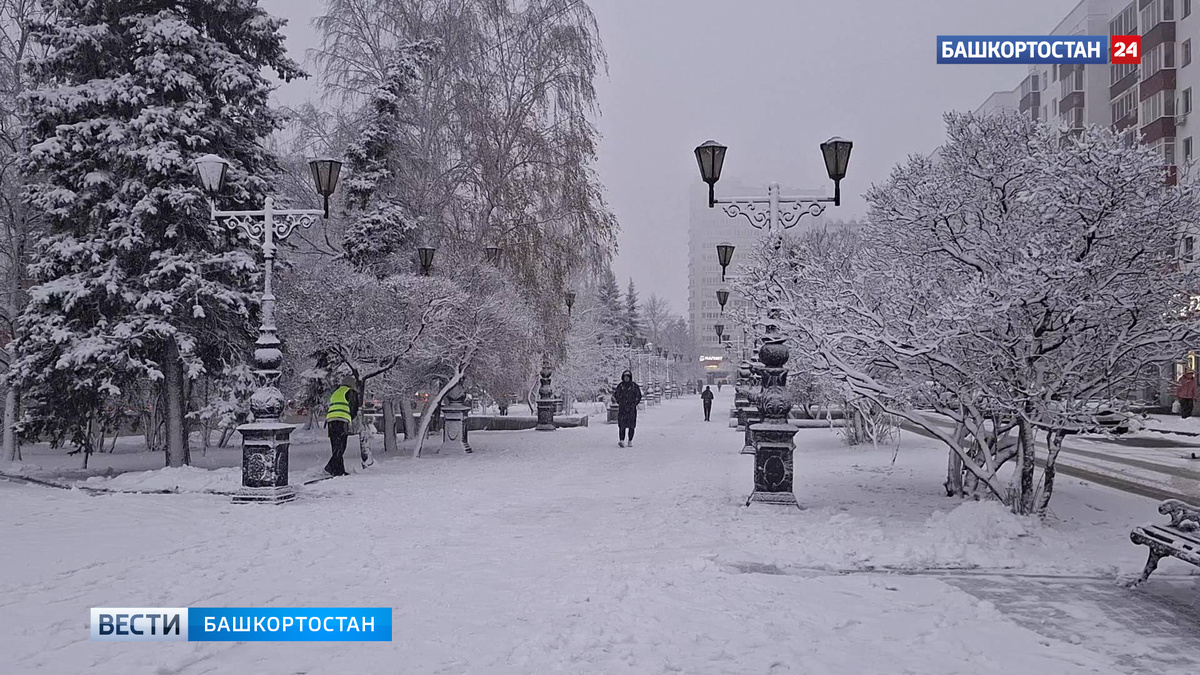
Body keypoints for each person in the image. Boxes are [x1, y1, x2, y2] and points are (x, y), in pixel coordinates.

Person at [324, 375, 361, 476]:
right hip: (341, 421)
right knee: (342, 446)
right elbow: (354, 408)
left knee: (335, 446)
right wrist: (351, 418)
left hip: (331, 421)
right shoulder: (350, 392)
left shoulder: (336, 392)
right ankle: (330, 467)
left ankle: (339, 470)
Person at [613, 369, 642, 447]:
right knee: (622, 425)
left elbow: (638, 396)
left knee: (631, 426)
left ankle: (630, 440)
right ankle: (621, 440)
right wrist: (620, 402)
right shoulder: (620, 386)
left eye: (628, 377)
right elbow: (616, 395)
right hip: (622, 409)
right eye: (625, 377)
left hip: (631, 409)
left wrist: (634, 404)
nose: (626, 378)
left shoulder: (634, 386)